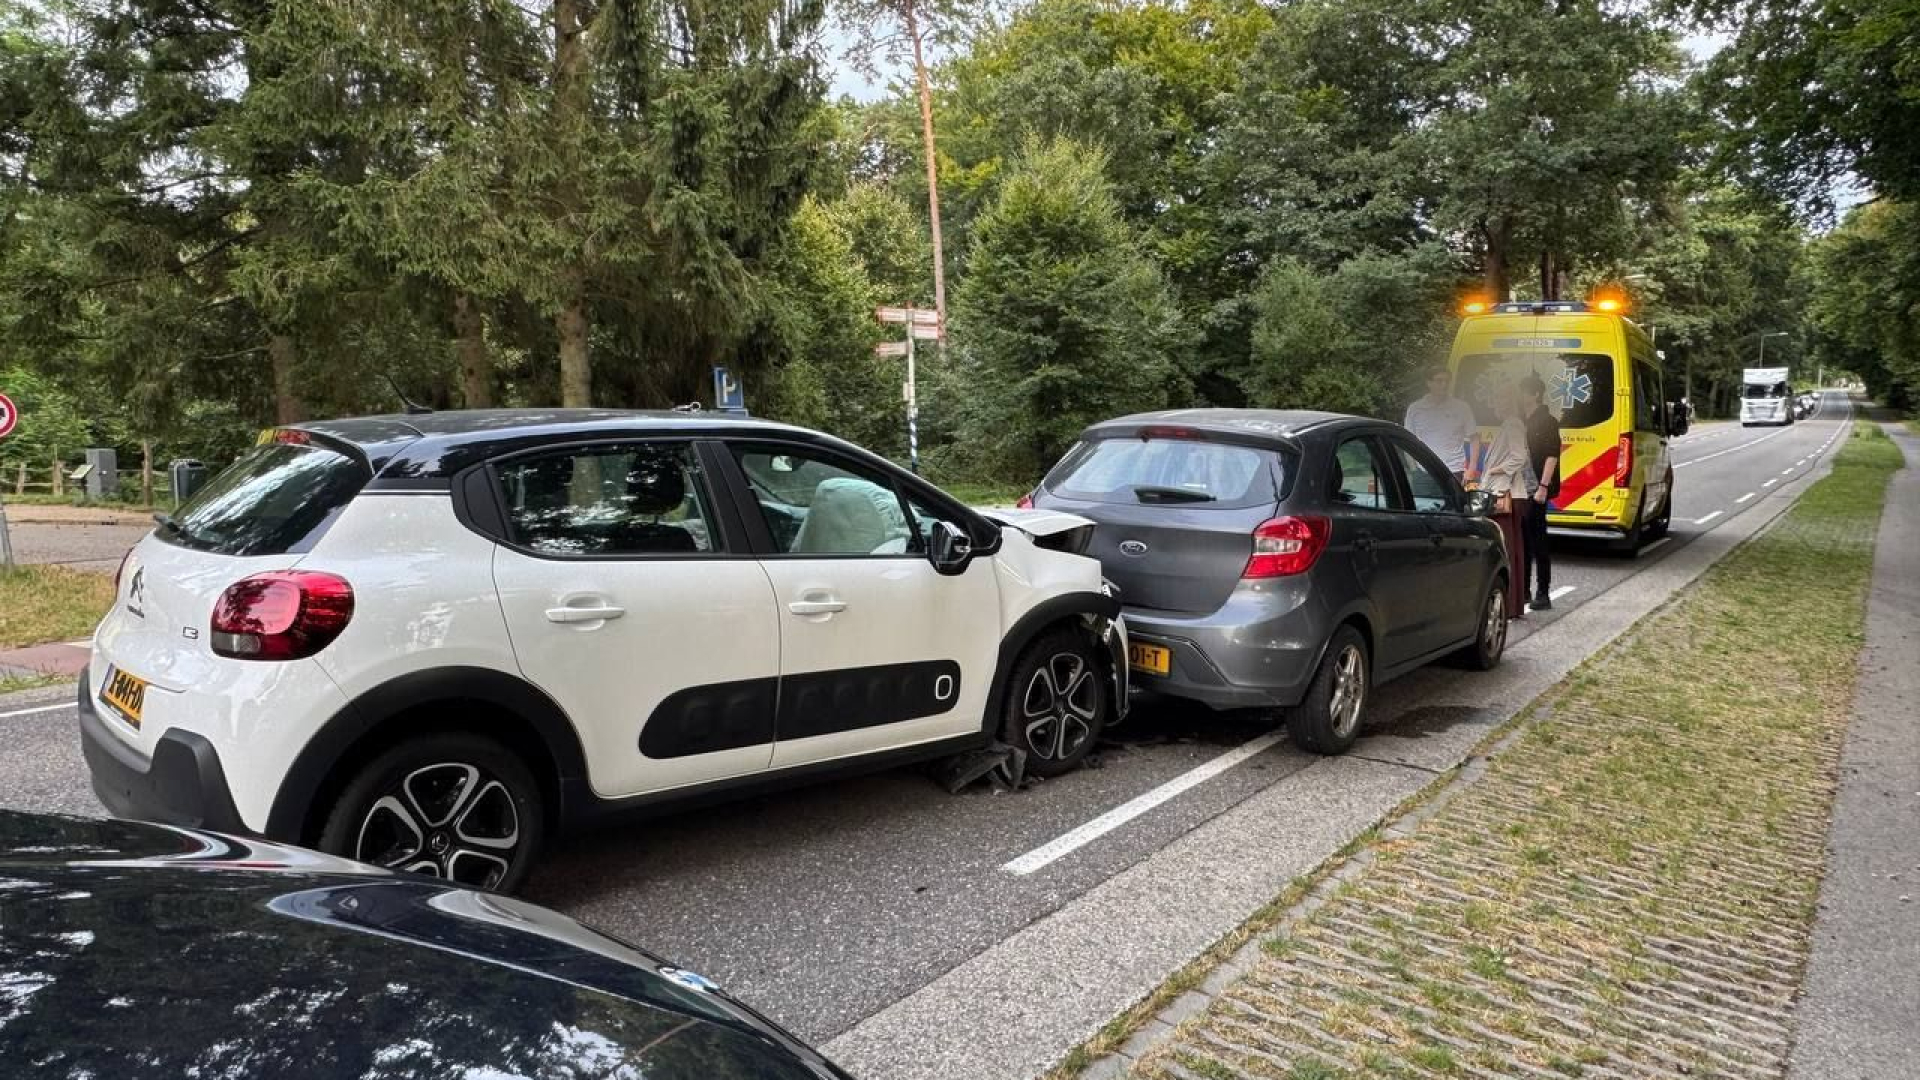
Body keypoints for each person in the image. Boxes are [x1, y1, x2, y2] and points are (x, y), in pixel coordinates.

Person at [1476, 384, 1533, 619]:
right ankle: (1511, 605)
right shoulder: (1510, 424)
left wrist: (1497, 470)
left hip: (1506, 492)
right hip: (1506, 490)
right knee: (1511, 550)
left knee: (1507, 550)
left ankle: (1510, 605)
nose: (1495, 406)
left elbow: (1519, 457)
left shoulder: (1513, 424)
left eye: (1499, 401)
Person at [1519, 374, 1561, 611]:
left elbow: (1552, 454)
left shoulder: (1547, 421)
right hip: (1520, 487)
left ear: (1535, 394)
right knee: (1522, 539)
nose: (1521, 395)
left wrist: (1543, 487)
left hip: (1536, 487)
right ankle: (1523, 589)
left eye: (1524, 391)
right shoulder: (1521, 419)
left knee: (1538, 540)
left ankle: (1543, 592)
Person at [1404, 367, 1480, 484]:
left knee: (1455, 503)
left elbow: (1474, 438)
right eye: (1439, 381)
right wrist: (1414, 469)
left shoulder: (1461, 407)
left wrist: (1471, 468)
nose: (1444, 385)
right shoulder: (1415, 409)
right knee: (1422, 503)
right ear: (1428, 383)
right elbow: (1407, 440)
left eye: (1447, 381)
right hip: (1424, 473)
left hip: (1453, 472)